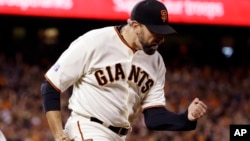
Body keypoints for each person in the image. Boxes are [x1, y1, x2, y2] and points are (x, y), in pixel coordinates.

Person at [40, 0, 207, 141]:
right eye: (155, 32)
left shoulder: (156, 62)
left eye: (163, 32)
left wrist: (186, 118)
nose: (161, 38)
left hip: (120, 136)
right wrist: (58, 135)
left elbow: (154, 117)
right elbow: (51, 86)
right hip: (87, 127)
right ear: (135, 26)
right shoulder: (95, 41)